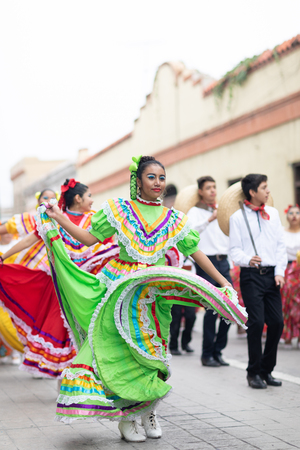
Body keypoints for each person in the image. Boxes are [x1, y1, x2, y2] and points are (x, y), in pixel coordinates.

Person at [39, 155, 247, 443]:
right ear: (137, 180)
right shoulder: (120, 210)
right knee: (124, 355)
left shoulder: (174, 219)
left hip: (155, 293)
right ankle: (127, 416)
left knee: (156, 356)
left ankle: (148, 410)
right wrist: (58, 217)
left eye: (161, 178)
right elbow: (88, 239)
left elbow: (196, 252)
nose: (158, 183)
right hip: (121, 289)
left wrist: (224, 282)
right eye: (151, 177)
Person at [0, 181, 118, 378]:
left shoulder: (95, 219)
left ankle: (89, 381)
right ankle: (68, 387)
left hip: (88, 286)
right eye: (89, 195)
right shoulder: (52, 218)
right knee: (64, 332)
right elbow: (30, 239)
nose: (92, 199)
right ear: (78, 198)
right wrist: (3, 257)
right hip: (62, 287)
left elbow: (110, 245)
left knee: (89, 331)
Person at [229, 174, 287, 389]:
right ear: (252, 192)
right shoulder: (237, 218)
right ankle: (253, 372)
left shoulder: (273, 213)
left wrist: (280, 272)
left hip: (272, 276)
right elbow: (234, 249)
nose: (268, 191)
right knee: (256, 323)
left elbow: (280, 246)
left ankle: (266, 370)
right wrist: (247, 259)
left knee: (277, 322)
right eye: (264, 187)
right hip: (251, 276)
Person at [187, 176, 232, 367]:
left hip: (224, 261)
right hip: (206, 263)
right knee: (211, 310)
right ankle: (207, 355)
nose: (213, 190)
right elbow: (190, 234)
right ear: (201, 192)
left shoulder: (222, 210)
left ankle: (218, 351)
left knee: (229, 309)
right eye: (208, 188)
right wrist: (208, 219)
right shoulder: (195, 212)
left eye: (215, 187)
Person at [281, 204, 300, 345]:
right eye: (291, 213)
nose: (294, 215)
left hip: (299, 270)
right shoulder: (282, 232)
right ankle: (287, 333)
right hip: (286, 270)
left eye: (297, 213)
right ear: (287, 216)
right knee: (286, 302)